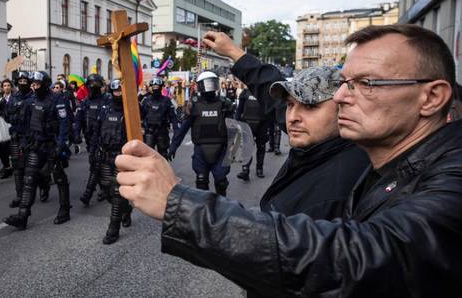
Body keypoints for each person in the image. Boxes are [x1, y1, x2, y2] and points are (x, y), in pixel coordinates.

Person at [116, 25, 462, 297]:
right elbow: (277, 96)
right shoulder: (345, 140)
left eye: (365, 84)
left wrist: (178, 203)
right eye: (343, 84)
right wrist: (236, 54)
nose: (341, 97)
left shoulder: (451, 179)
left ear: (431, 97)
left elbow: (359, 259)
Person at [260, 66, 370, 218]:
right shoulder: (315, 148)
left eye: (309, 106)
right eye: (290, 104)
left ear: (344, 110)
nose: (292, 117)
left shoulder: (336, 191)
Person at [3, 71, 72, 230]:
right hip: (35, 145)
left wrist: (61, 145)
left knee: (59, 177)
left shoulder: (57, 99)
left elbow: (64, 124)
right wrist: (25, 141)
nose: (35, 87)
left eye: (38, 84)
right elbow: (25, 123)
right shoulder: (31, 100)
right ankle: (22, 215)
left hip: (52, 145)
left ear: (46, 84)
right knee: (29, 179)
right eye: (33, 84)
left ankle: (65, 208)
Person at [168, 71, 234, 197]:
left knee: (220, 180)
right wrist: (173, 146)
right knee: (201, 180)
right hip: (200, 151)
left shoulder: (225, 104)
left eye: (212, 83)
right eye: (207, 83)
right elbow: (183, 129)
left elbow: (234, 128)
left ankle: (222, 208)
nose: (210, 86)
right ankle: (203, 210)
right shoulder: (194, 106)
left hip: (221, 149)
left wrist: (235, 148)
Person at [93, 79, 132, 244]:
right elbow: (96, 130)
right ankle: (126, 208)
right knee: (108, 191)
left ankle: (113, 228)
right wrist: (94, 149)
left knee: (117, 193)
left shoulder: (129, 111)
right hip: (106, 155)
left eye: (120, 91)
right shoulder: (105, 110)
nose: (118, 94)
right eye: (115, 91)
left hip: (121, 157)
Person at [74, 74, 108, 205]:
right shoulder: (85, 102)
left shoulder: (106, 101)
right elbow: (78, 120)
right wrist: (77, 134)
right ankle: (104, 189)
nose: (93, 88)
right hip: (89, 138)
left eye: (96, 86)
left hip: (103, 139)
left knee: (96, 165)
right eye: (91, 86)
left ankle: (88, 193)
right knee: (95, 164)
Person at [5, 72, 35, 208]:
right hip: (16, 137)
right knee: (17, 168)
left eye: (25, 81)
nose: (22, 83)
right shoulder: (13, 97)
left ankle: (42, 186)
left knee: (31, 168)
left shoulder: (34, 98)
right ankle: (19, 195)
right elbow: (7, 115)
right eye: (20, 81)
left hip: (29, 138)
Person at [234, 83, 272, 179]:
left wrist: (270, 124)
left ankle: (259, 169)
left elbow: (270, 110)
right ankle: (245, 169)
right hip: (247, 123)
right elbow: (239, 110)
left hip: (262, 124)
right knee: (247, 147)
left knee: (261, 146)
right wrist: (236, 122)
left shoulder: (265, 93)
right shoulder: (245, 93)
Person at [141, 77, 177, 159]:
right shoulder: (146, 100)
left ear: (161, 87)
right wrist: (141, 127)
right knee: (148, 155)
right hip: (149, 131)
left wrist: (176, 130)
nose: (155, 89)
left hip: (162, 130)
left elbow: (173, 117)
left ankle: (163, 171)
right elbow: (140, 115)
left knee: (163, 154)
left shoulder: (166, 100)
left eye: (157, 87)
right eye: (153, 87)